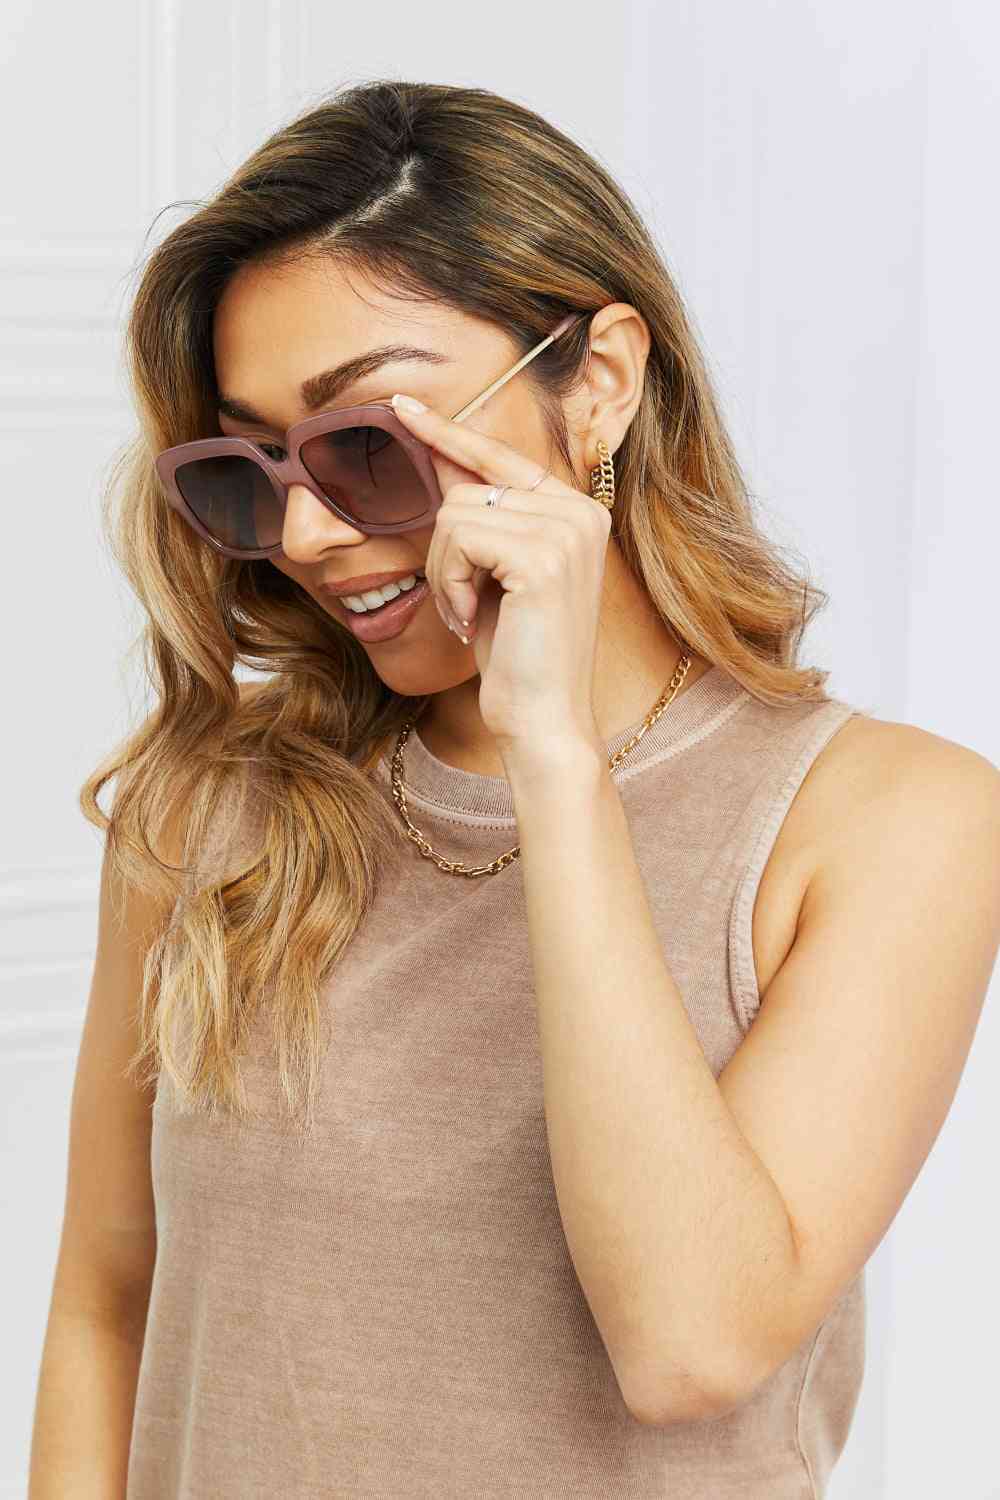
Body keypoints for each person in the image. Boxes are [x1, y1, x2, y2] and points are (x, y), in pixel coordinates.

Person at [28, 80, 1000, 1500]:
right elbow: (105, 1305)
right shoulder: (214, 811)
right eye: (256, 467)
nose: (304, 532)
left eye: (369, 443)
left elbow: (691, 1346)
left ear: (598, 384)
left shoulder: (886, 823)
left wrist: (553, 759)